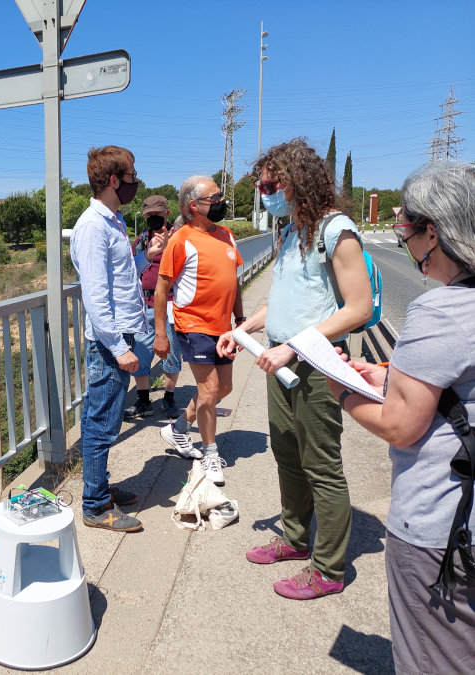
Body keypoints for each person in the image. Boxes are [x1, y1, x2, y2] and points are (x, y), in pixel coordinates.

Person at [324, 162, 475, 671]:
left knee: (433, 658)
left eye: (406, 230)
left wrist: (340, 389)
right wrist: (387, 375)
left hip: (442, 527)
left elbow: (401, 426)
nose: (406, 244)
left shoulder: (443, 311)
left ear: (434, 231)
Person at [216, 139, 372, 600]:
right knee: (287, 455)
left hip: (317, 364)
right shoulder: (289, 231)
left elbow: (358, 307)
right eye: (261, 184)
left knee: (321, 464)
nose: (264, 191)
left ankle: (328, 569)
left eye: (271, 183)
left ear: (298, 180)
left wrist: (294, 348)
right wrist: (242, 328)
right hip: (280, 361)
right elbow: (279, 303)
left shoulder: (336, 230)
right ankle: (295, 539)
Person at [70, 145, 169, 532]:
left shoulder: (113, 220)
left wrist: (146, 256)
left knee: (104, 417)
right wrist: (119, 347)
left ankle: (101, 488)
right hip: (110, 342)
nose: (135, 181)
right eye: (131, 175)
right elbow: (95, 297)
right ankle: (95, 506)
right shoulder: (93, 226)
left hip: (122, 334)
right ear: (113, 180)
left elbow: (120, 278)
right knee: (101, 423)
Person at [154, 176, 245, 487]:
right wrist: (160, 334)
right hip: (193, 325)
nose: (221, 200)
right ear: (194, 206)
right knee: (208, 392)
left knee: (225, 389)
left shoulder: (227, 236)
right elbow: (161, 288)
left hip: (224, 328)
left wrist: (241, 320)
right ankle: (209, 452)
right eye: (214, 197)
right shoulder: (181, 239)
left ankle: (178, 428)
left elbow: (233, 282)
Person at [124, 195, 182, 420]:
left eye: (158, 215)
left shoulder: (178, 238)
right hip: (144, 304)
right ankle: (143, 400)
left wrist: (167, 248)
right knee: (140, 354)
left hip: (169, 304)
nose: (154, 220)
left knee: (171, 353)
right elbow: (130, 269)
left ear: (167, 213)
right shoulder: (141, 240)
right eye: (150, 216)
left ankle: (169, 398)